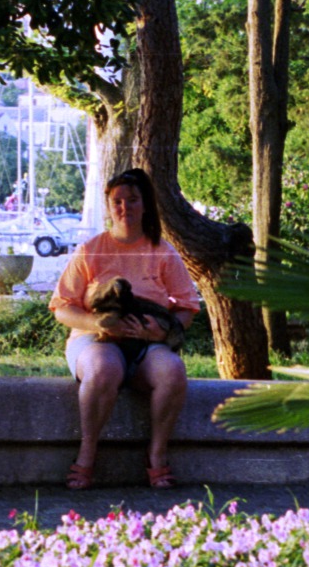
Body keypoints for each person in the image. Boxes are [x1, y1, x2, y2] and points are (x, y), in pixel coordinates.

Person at [49, 168, 201, 490]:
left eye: (132, 200)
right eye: (117, 201)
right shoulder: (91, 250)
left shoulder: (162, 250)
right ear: (108, 206)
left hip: (147, 344)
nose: (124, 208)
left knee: (172, 370)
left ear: (145, 204)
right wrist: (96, 322)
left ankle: (157, 456)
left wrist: (160, 333)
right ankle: (87, 453)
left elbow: (187, 305)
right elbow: (62, 307)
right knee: (103, 369)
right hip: (96, 339)